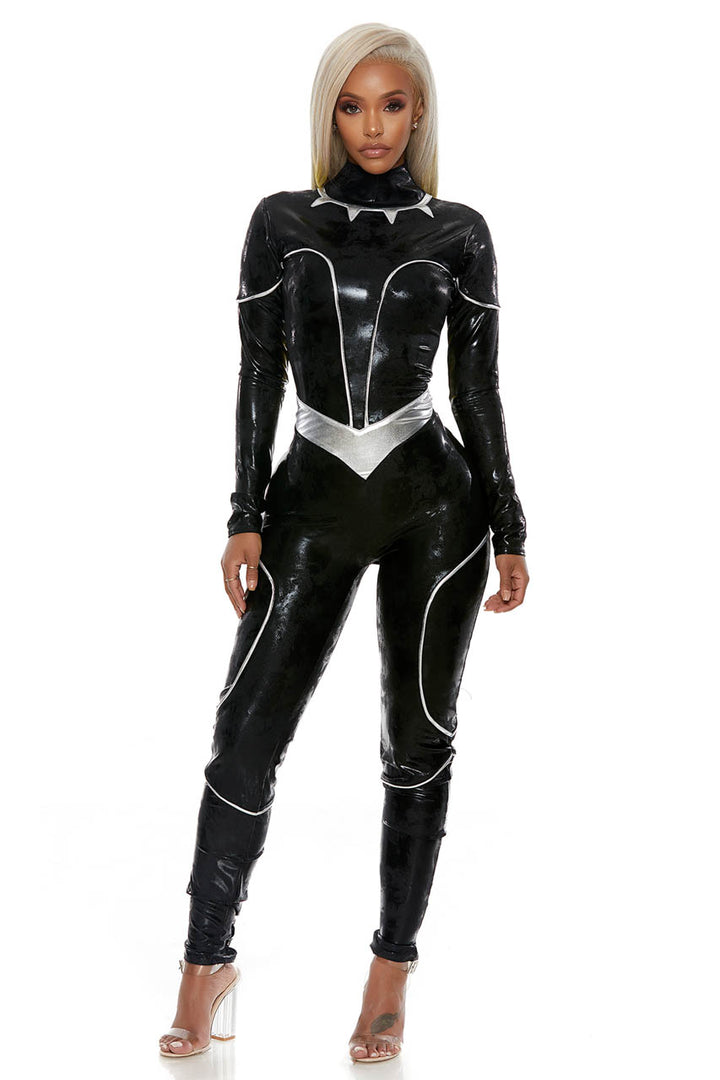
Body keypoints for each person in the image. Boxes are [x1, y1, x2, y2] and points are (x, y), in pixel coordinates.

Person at [159, 22, 529, 1063]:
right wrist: (243, 512)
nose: (374, 125)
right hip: (310, 500)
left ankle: (389, 972)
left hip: (435, 510)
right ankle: (204, 962)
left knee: (419, 740)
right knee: (245, 734)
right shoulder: (281, 222)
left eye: (393, 104)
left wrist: (509, 522)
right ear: (330, 112)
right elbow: (257, 373)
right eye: (353, 105)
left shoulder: (460, 232)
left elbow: (477, 387)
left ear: (419, 113)